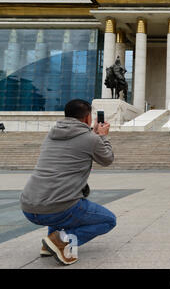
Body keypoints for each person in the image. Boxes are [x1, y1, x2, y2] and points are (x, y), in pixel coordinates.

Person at [20, 99, 116, 266]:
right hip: (57, 208)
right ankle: (61, 242)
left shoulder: (51, 134)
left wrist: (92, 134)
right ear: (87, 118)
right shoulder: (91, 139)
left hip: (28, 206)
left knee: (60, 201)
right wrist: (102, 136)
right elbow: (107, 159)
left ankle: (49, 243)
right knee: (108, 220)